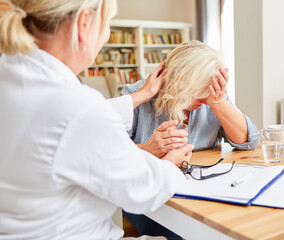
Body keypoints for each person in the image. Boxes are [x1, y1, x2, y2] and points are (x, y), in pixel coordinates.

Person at [0, 0, 194, 239]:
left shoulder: (11, 72)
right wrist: (171, 165)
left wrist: (142, 95)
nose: (106, 34)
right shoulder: (78, 108)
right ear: (84, 24)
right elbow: (144, 191)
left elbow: (72, 126)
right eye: (107, 23)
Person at [121, 40, 259, 238]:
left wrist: (219, 103)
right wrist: (147, 149)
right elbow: (110, 159)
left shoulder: (212, 95)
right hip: (148, 192)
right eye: (197, 93)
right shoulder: (137, 96)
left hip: (200, 189)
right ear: (179, 82)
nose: (204, 101)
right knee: (183, 232)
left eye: (207, 93)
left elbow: (249, 140)